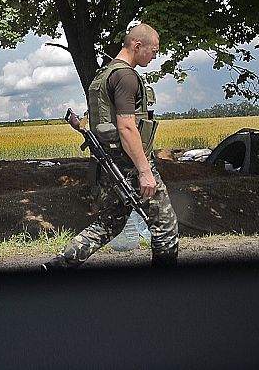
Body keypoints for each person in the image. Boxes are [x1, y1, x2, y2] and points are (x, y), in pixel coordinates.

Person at [42, 23, 179, 270]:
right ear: (137, 46)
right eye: (153, 50)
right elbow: (126, 127)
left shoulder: (104, 74)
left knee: (108, 224)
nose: (156, 55)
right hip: (130, 164)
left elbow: (99, 119)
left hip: (110, 162)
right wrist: (145, 171)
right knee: (165, 226)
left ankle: (58, 267)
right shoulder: (126, 76)